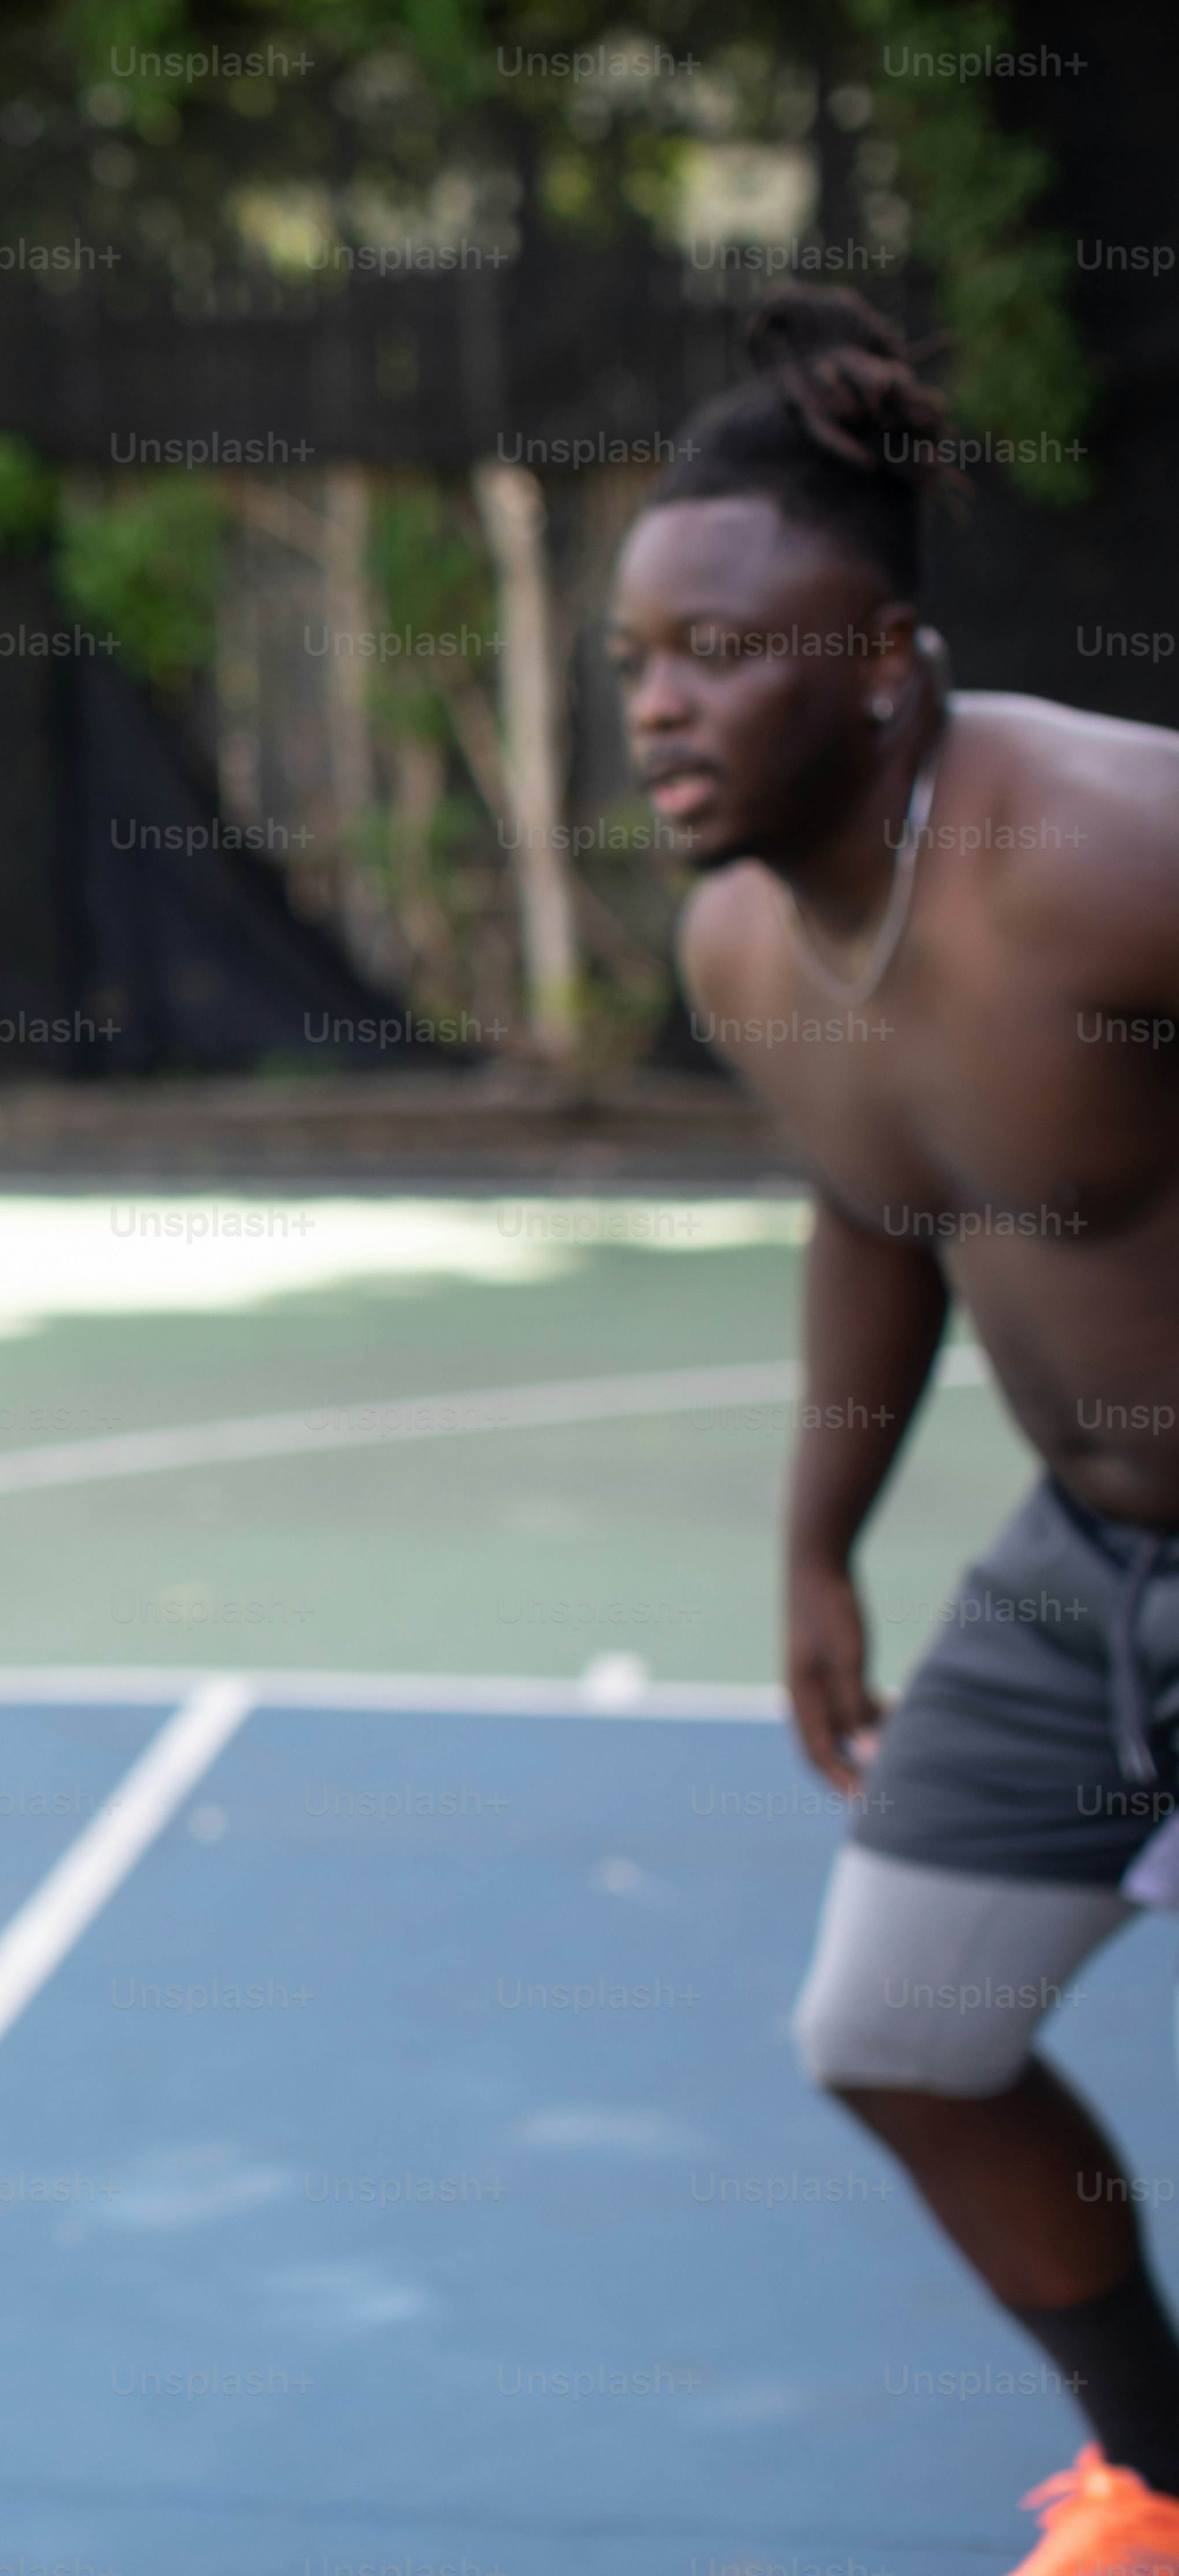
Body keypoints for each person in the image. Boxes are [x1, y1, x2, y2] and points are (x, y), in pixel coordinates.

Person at [642, 287, 1179, 2568]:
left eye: (719, 653)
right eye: (635, 658)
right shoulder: (751, 947)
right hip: (1090, 1558)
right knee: (902, 2024)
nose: (659, 707)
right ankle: (1161, 2462)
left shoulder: (1117, 851)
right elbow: (883, 1203)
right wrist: (814, 1545)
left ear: (879, 660)